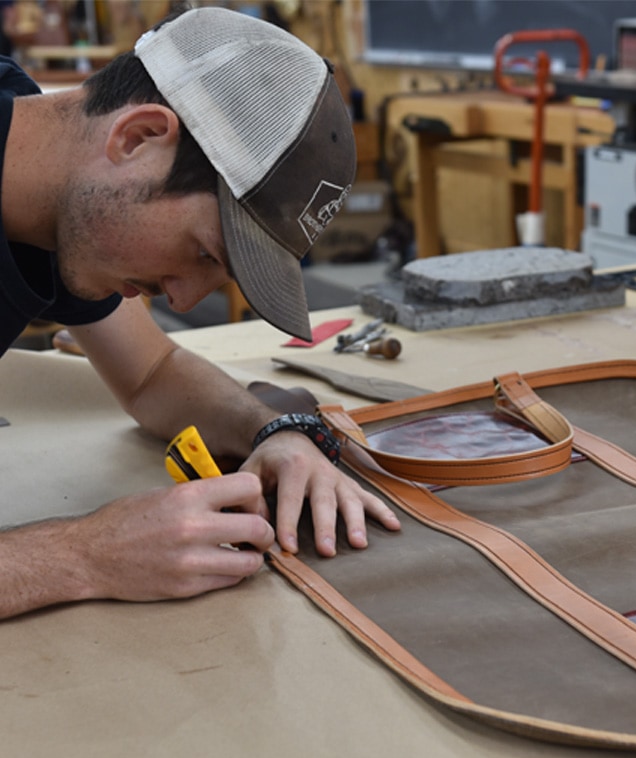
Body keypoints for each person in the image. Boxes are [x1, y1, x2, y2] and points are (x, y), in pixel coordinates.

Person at [0, 4, 402, 619]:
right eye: (202, 253)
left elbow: (151, 373)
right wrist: (84, 555)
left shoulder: (52, 183)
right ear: (137, 137)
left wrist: (272, 431)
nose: (184, 300)